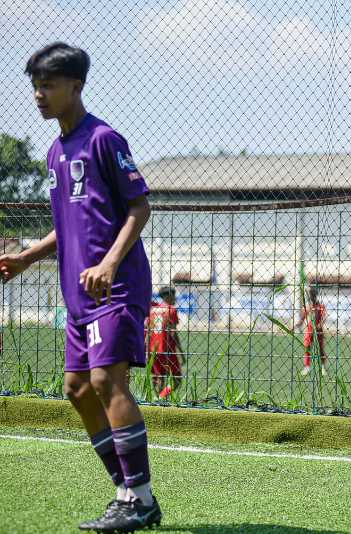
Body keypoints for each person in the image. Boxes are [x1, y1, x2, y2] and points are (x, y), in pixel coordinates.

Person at [0, 43, 161, 531]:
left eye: (48, 85)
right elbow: (67, 224)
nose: (39, 95)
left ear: (76, 86)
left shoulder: (103, 140)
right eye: (35, 86)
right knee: (76, 388)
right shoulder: (55, 152)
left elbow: (139, 207)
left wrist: (110, 262)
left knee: (106, 381)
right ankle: (126, 492)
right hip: (78, 295)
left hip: (115, 288)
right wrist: (28, 256)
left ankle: (140, 499)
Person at [146, 286, 184, 398]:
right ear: (168, 296)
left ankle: (157, 400)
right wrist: (181, 352)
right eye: (174, 295)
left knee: (158, 378)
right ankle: (161, 397)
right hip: (167, 349)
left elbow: (149, 332)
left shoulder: (152, 310)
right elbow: (173, 332)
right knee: (177, 379)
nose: (175, 298)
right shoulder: (171, 310)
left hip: (153, 349)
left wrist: (147, 350)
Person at [294, 287, 327, 376]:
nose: (310, 297)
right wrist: (295, 326)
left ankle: (322, 367)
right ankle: (307, 367)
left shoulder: (321, 307)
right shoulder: (308, 307)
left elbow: (324, 318)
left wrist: (320, 325)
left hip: (318, 331)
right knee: (307, 348)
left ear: (315, 295)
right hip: (309, 330)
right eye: (309, 296)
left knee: (320, 349)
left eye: (312, 295)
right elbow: (302, 319)